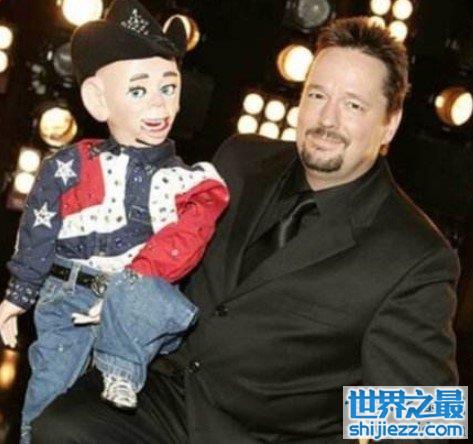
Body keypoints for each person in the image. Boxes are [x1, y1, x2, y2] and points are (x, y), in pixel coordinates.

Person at [31, 16, 459, 443]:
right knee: (57, 426)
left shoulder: (414, 255)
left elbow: (420, 424)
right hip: (161, 396)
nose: (327, 119)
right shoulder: (240, 159)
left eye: (353, 105)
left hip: (263, 436)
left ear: (390, 123)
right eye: (317, 95)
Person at [0, 0, 229, 441]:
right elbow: (39, 229)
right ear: (98, 100)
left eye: (169, 87)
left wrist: (129, 292)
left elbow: (183, 247)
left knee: (108, 418)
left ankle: (119, 368)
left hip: (134, 310)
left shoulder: (190, 183)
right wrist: (19, 294)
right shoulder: (71, 164)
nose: (159, 104)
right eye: (139, 91)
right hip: (67, 297)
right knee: (47, 404)